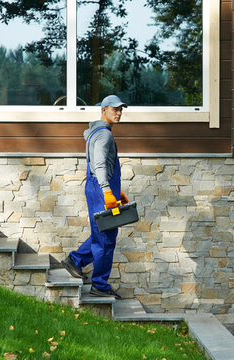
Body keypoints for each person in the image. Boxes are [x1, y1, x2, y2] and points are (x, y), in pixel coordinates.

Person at [61, 94, 129, 298]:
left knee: (103, 232)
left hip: (98, 187)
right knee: (106, 237)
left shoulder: (96, 132)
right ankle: (99, 284)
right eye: (114, 109)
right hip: (101, 189)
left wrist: (117, 193)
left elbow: (103, 166)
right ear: (104, 110)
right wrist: (108, 191)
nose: (118, 113)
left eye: (120, 110)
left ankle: (75, 260)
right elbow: (99, 164)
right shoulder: (104, 135)